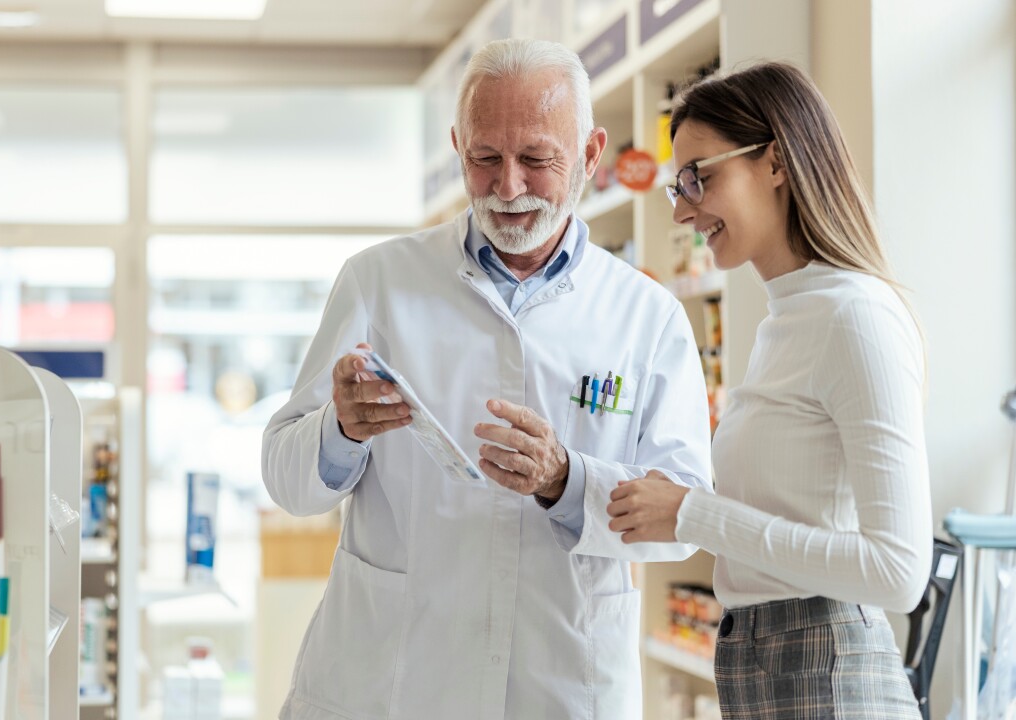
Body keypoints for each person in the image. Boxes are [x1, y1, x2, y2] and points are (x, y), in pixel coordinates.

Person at [262, 38, 713, 720]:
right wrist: (340, 430)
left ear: (591, 155)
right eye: (484, 158)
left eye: (536, 159)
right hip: (392, 682)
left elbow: (684, 518)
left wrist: (570, 480)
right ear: (457, 145)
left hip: (560, 685)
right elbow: (285, 478)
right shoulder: (379, 282)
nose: (508, 188)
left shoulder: (646, 317)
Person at [606, 62, 932, 719]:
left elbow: (899, 572)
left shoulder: (853, 316)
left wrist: (694, 513)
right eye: (677, 184)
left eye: (700, 176)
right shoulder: (787, 319)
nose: (681, 207)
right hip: (764, 667)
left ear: (777, 162)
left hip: (825, 673)